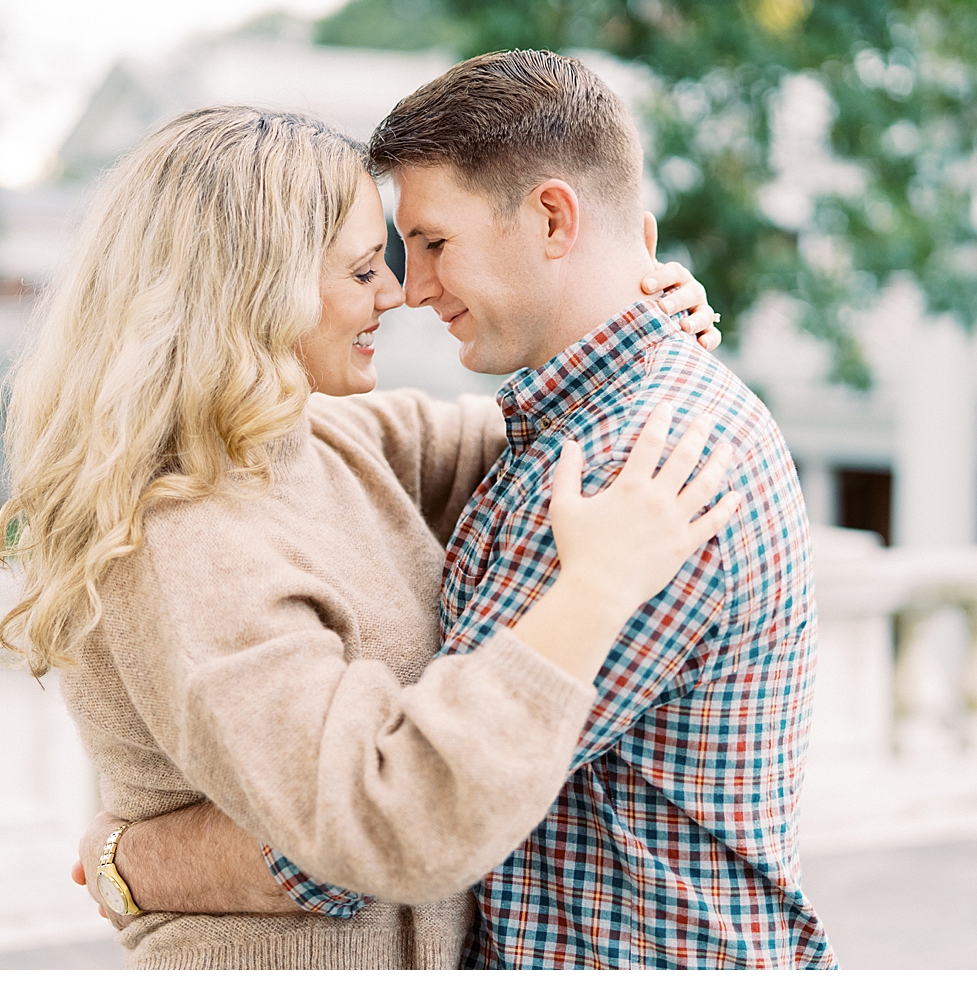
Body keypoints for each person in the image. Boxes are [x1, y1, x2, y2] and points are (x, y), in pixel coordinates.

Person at [85, 51, 835, 970]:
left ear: (554, 217)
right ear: (256, 289)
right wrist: (637, 314)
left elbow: (402, 816)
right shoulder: (206, 514)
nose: (408, 289)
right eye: (373, 266)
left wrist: (137, 863)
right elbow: (389, 811)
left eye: (428, 245)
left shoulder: (629, 471)